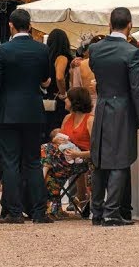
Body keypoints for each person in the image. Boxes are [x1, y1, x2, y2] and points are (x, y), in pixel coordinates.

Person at [0, 8, 54, 224]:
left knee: (10, 162)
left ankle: (14, 212)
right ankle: (39, 212)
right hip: (34, 110)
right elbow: (45, 78)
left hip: (9, 112)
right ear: (30, 26)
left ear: (11, 26)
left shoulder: (3, 50)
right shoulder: (42, 49)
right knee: (33, 161)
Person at [88, 7, 139, 226]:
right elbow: (137, 88)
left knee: (99, 159)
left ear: (109, 24)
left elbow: (96, 72)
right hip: (123, 107)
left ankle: (96, 211)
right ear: (130, 25)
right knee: (120, 161)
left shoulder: (94, 49)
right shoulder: (132, 52)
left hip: (102, 105)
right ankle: (111, 212)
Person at [36, 86, 93, 219]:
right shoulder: (67, 118)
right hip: (63, 159)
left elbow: (97, 149)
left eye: (67, 99)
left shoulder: (90, 120)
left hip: (82, 159)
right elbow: (60, 140)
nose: (65, 101)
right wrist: (56, 139)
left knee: (46, 151)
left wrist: (77, 154)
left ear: (75, 101)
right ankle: (54, 208)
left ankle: (40, 177)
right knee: (52, 165)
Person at [45, 29, 74, 140]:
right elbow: (59, 76)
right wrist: (64, 93)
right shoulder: (62, 57)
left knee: (49, 131)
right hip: (59, 100)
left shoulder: (47, 57)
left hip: (48, 99)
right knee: (59, 132)